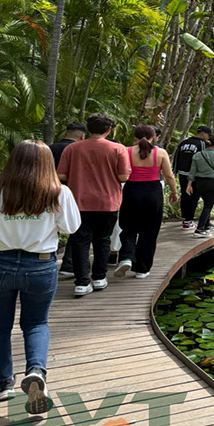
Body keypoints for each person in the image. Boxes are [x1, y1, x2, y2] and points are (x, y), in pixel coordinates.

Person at [0, 140, 81, 412]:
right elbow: (71, 227)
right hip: (39, 266)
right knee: (36, 323)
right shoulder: (59, 193)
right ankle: (36, 371)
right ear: (48, 163)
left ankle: (1, 384)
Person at [56, 113, 132, 297]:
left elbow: (61, 176)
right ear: (109, 129)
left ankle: (81, 282)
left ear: (88, 128)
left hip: (79, 201)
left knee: (80, 241)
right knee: (103, 240)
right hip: (107, 202)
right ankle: (99, 278)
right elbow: (124, 177)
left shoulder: (72, 149)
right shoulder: (118, 149)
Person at [115, 125, 179, 280]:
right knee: (149, 232)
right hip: (152, 193)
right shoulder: (161, 152)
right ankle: (142, 269)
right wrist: (174, 192)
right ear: (154, 137)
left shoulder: (127, 151)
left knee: (128, 227)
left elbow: (120, 172)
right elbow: (169, 176)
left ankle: (126, 256)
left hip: (131, 191)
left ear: (135, 137)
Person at [50, 122, 87, 279]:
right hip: (73, 193)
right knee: (77, 229)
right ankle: (68, 265)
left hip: (48, 192)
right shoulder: (79, 150)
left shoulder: (49, 148)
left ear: (65, 133)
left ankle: (49, 263)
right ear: (82, 136)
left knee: (49, 229)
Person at [185, 135, 214, 237]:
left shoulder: (197, 155)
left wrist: (189, 185)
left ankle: (206, 224)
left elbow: (192, 172)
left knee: (198, 203)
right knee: (208, 206)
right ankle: (200, 229)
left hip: (198, 182)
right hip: (213, 183)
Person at [173, 126, 213, 229]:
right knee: (194, 197)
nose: (208, 138)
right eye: (208, 135)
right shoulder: (202, 144)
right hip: (195, 175)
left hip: (182, 173)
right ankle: (189, 220)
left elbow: (176, 157)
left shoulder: (184, 143)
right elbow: (203, 158)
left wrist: (175, 171)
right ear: (203, 134)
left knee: (185, 195)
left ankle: (185, 219)